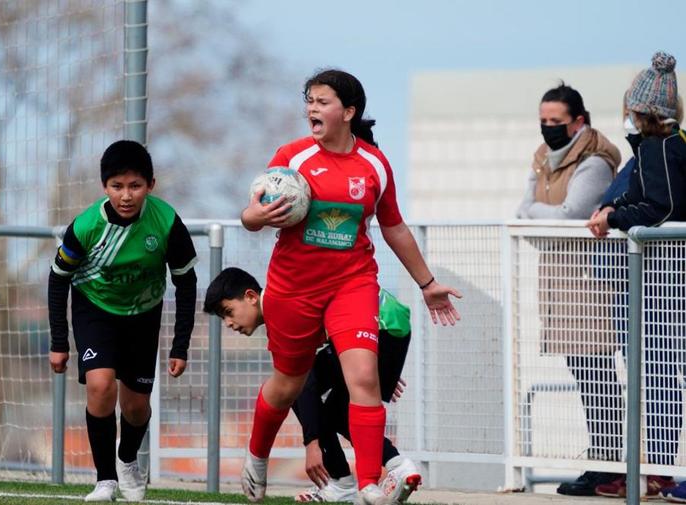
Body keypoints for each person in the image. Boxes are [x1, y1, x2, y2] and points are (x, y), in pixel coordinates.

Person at [237, 69, 461, 505]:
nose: (312, 109)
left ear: (349, 111)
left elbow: (393, 225)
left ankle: (368, 485)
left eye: (322, 102)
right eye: (309, 101)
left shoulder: (374, 164)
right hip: (292, 287)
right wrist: (255, 218)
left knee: (363, 379)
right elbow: (250, 215)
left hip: (352, 284)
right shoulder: (292, 158)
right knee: (287, 384)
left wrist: (427, 283)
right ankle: (256, 456)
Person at [48, 140, 198, 502]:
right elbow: (58, 278)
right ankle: (105, 480)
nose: (126, 195)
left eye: (135, 186)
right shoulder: (86, 226)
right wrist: (58, 342)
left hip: (143, 316)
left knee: (135, 407)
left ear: (151, 185)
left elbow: (186, 281)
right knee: (100, 386)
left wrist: (180, 345)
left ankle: (128, 458)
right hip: (95, 308)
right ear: (105, 187)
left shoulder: (166, 221)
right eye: (117, 186)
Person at [203, 267, 421, 503]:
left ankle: (341, 481)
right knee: (337, 412)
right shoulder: (283, 303)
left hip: (376, 325)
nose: (228, 323)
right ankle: (397, 465)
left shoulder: (280, 308)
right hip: (392, 328)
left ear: (250, 297)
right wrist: (374, 362)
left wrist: (312, 443)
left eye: (228, 312)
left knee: (292, 386)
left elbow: (302, 382)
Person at [516, 82, 625, 496]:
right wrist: (542, 217)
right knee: (583, 373)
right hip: (558, 282)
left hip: (590, 281)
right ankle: (602, 459)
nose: (548, 130)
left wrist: (538, 215)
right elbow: (523, 212)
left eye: (556, 122)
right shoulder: (543, 158)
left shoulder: (595, 161)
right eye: (543, 122)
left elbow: (573, 214)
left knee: (596, 374)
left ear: (579, 121)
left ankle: (608, 462)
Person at [587, 51, 685, 501]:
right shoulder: (672, 143)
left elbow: (661, 207)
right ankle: (658, 468)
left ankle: (660, 468)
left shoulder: (661, 148)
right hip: (663, 274)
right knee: (661, 371)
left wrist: (615, 216)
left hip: (667, 276)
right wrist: (617, 210)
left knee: (662, 371)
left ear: (641, 112)